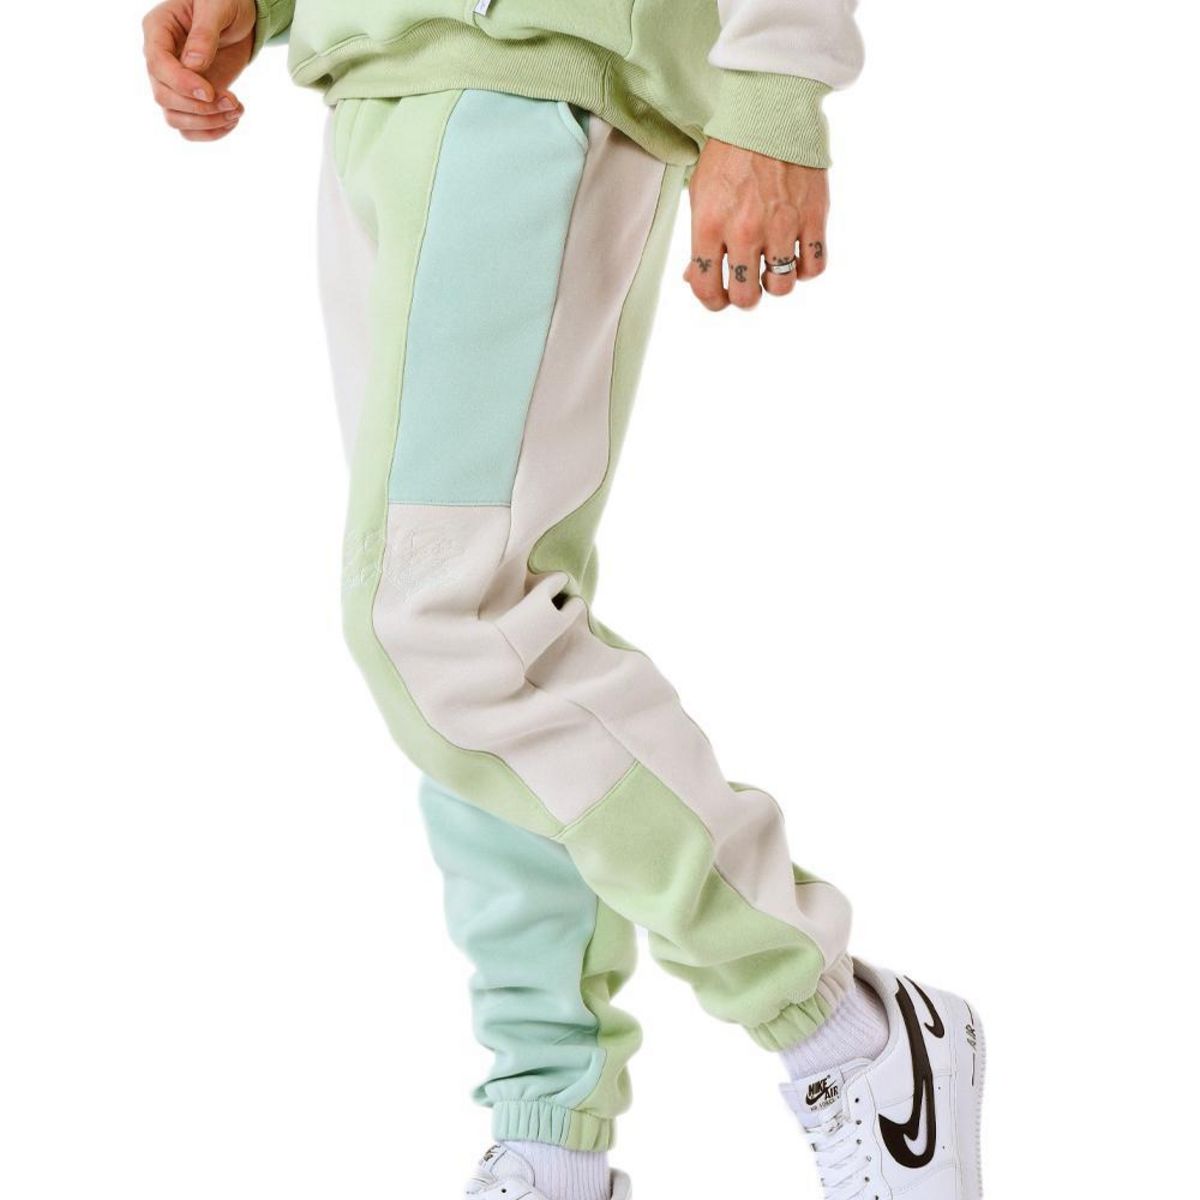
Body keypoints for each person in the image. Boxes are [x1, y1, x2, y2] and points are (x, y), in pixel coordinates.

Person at [141, 3, 986, 1198]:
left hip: (537, 67)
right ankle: (549, 1134)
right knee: (481, 657)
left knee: (443, 624)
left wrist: (772, 87)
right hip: (375, 71)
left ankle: (841, 1022)